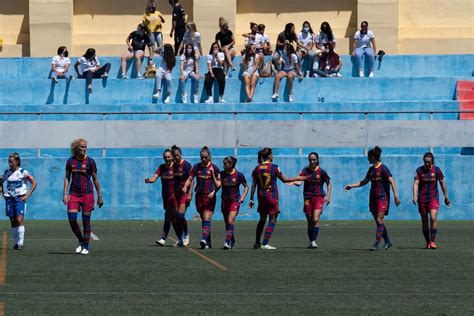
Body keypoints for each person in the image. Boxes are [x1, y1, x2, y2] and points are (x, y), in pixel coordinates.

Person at [345, 146, 400, 251]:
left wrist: (395, 196)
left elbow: (392, 181)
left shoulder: (383, 168)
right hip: (373, 198)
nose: (367, 159)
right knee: (378, 222)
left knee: (379, 220)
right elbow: (364, 181)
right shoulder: (371, 169)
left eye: (369, 157)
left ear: (373, 157)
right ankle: (388, 241)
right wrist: (351, 186)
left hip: (382, 197)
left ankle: (376, 244)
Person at [249, 148, 306, 250]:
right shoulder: (274, 167)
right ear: (269, 155)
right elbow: (285, 180)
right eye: (272, 154)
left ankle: (257, 242)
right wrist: (298, 178)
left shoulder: (256, 168)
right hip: (271, 196)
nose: (273, 156)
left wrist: (251, 199)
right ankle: (265, 243)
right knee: (273, 219)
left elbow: (253, 185)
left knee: (262, 219)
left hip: (261, 196)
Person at [63, 139, 103, 255]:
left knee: (86, 220)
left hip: (87, 194)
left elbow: (95, 179)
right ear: (76, 148)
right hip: (73, 194)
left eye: (85, 147)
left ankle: (86, 246)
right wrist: (64, 193)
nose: (84, 149)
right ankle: (81, 241)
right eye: (82, 147)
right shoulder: (70, 162)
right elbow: (67, 178)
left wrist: (99, 196)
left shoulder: (90, 162)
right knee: (72, 219)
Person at [182, 147, 220, 249]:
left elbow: (219, 184)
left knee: (207, 217)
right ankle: (208, 242)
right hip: (199, 196)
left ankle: (203, 239)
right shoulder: (196, 167)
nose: (203, 159)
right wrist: (185, 186)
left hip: (210, 197)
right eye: (202, 157)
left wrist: (213, 191)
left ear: (209, 157)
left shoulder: (214, 168)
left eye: (205, 157)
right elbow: (190, 178)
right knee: (204, 219)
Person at [0, 152, 37, 250]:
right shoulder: (7, 173)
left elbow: (34, 183)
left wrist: (27, 195)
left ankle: (20, 243)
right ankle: (16, 243)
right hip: (9, 199)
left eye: (12, 162)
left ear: (17, 161)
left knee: (19, 219)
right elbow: (0, 181)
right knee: (12, 221)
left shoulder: (23, 172)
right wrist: (2, 191)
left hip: (20, 198)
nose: (10, 164)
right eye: (9, 162)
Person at [413, 152, 450, 249]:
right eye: (425, 162)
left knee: (433, 218)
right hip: (422, 199)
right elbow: (416, 183)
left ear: (432, 162)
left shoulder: (437, 170)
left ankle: (433, 242)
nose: (427, 164)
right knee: (424, 221)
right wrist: (415, 196)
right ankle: (427, 242)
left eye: (428, 162)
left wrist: (446, 197)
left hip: (434, 198)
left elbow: (442, 183)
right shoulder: (419, 170)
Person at [294, 153, 331, 248]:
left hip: (319, 197)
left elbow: (328, 183)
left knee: (315, 219)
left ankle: (314, 241)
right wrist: (295, 182)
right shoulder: (305, 170)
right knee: (310, 220)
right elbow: (299, 180)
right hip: (307, 198)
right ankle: (311, 241)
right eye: (310, 160)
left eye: (314, 159)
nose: (312, 161)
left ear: (317, 160)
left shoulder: (322, 172)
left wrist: (328, 196)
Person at [145, 149, 180, 246]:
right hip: (166, 196)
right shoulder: (162, 167)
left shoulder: (176, 167)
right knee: (173, 219)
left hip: (174, 197)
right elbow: (154, 177)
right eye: (165, 157)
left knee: (168, 216)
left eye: (169, 157)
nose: (167, 159)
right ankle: (181, 238)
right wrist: (148, 180)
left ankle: (163, 239)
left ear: (172, 157)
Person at [214, 156, 249, 250]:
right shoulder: (221, 174)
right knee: (227, 223)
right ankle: (232, 240)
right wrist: (213, 191)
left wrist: (242, 197)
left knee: (230, 220)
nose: (223, 165)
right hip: (224, 201)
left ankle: (227, 241)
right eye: (223, 163)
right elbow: (218, 185)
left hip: (235, 201)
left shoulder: (239, 175)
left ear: (231, 164)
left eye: (225, 163)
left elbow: (246, 187)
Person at [172, 145, 193, 246]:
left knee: (180, 215)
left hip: (184, 194)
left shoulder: (186, 165)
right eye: (174, 155)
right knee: (176, 217)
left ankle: (187, 234)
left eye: (178, 155)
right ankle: (180, 239)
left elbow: (191, 179)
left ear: (181, 155)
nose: (176, 157)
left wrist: (190, 193)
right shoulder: (173, 166)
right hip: (176, 194)